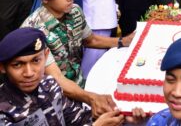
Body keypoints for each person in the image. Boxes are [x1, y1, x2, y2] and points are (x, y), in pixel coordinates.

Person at [21, 0, 134, 117]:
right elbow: (57, 79)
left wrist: (122, 41)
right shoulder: (34, 32)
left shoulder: (74, 11)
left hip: (80, 86)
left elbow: (90, 40)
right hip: (53, 100)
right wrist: (92, 98)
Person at [0, 27, 142, 125]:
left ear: (46, 56)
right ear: (3, 67)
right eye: (18, 65)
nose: (29, 73)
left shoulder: (50, 85)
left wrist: (120, 117)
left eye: (36, 61)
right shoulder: (3, 110)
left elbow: (77, 119)